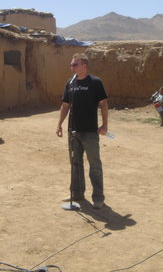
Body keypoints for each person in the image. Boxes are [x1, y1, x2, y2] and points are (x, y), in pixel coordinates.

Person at [56, 53, 109, 209]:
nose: (71, 67)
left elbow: (104, 105)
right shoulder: (70, 83)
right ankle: (77, 194)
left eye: (74, 65)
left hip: (90, 132)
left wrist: (105, 125)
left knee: (95, 165)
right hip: (73, 131)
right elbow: (65, 105)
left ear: (84, 65)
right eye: (71, 65)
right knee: (75, 163)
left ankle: (98, 197)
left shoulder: (95, 82)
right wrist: (59, 124)